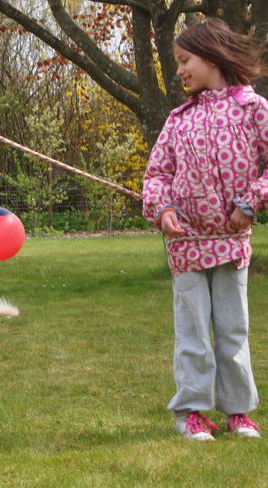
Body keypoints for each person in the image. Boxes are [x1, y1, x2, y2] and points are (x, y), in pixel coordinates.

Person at [142, 17, 267, 442]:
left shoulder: (253, 109)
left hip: (231, 244)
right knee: (193, 332)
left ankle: (237, 411)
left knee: (232, 330)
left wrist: (251, 202)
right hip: (187, 246)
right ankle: (191, 412)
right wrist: (162, 211)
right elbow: (156, 175)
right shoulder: (178, 120)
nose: (178, 70)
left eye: (184, 60)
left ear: (212, 56)